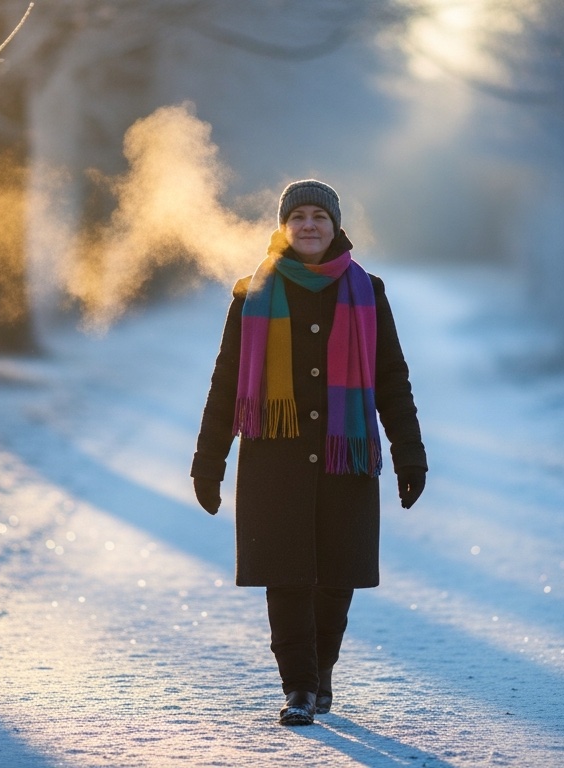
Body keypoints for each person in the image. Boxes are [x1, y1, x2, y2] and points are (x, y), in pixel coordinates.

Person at [191, 179, 428, 726]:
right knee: (286, 573)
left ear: (335, 225)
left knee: (337, 574)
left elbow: (392, 378)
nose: (308, 226)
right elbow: (227, 382)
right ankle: (298, 686)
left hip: (345, 455)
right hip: (275, 457)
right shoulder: (252, 293)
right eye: (297, 216)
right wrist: (209, 463)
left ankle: (321, 672)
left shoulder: (369, 291)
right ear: (283, 226)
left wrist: (409, 453)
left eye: (319, 216)